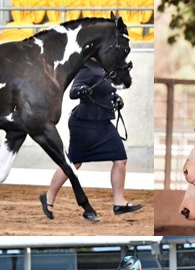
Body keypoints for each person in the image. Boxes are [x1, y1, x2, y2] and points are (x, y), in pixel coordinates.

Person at [42, 56, 139, 221]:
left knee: (120, 159)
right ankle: (49, 197)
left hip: (103, 123)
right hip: (84, 124)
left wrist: (114, 98)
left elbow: (105, 90)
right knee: (74, 163)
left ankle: (119, 202)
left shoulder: (102, 67)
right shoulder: (86, 68)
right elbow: (74, 91)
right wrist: (82, 91)